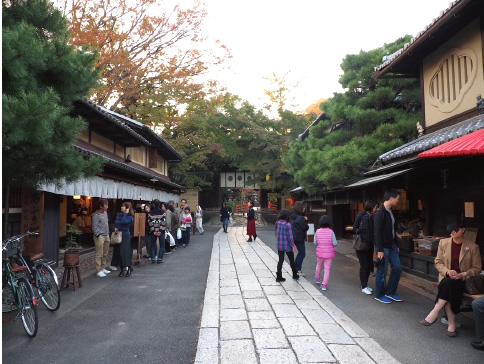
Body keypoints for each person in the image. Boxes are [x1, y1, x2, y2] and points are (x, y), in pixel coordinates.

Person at [419, 221, 481, 337]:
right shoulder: (443, 243)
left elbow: (477, 268)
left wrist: (462, 274)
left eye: (455, 230)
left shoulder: (473, 247)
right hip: (446, 277)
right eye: (450, 231)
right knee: (449, 284)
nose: (452, 232)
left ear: (462, 230)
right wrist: (447, 271)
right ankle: (450, 325)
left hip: (463, 280)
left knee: (449, 285)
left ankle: (435, 313)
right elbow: (438, 262)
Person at [373, 189, 403, 304]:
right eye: (397, 198)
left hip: (392, 245)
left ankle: (390, 292)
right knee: (382, 270)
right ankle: (379, 295)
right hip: (383, 247)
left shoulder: (391, 211)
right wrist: (380, 250)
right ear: (391, 198)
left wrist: (396, 244)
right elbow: (377, 233)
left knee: (397, 268)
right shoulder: (380, 213)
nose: (398, 201)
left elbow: (392, 229)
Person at [353, 200, 379, 295]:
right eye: (376, 207)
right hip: (362, 244)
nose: (377, 209)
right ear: (371, 208)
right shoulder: (361, 215)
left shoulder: (374, 216)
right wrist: (362, 230)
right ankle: (363, 286)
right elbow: (354, 228)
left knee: (368, 265)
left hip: (370, 244)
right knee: (364, 265)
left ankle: (365, 284)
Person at [314, 215, 337, 291]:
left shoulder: (317, 231)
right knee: (327, 269)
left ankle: (317, 279)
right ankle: (324, 284)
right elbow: (334, 243)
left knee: (318, 265)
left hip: (320, 253)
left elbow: (315, 242)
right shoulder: (331, 232)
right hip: (329, 254)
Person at [275, 209, 298, 282]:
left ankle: (279, 276)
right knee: (291, 260)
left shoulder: (277, 223)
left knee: (280, 260)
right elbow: (290, 237)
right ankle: (294, 274)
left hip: (279, 245)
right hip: (287, 245)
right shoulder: (287, 225)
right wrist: (293, 245)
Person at [92, 199, 112, 277]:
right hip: (100, 235)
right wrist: (98, 234)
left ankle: (102, 267)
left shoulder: (105, 213)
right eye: (105, 205)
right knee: (99, 253)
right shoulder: (96, 215)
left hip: (106, 234)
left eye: (107, 205)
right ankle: (98, 270)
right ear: (101, 206)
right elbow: (94, 226)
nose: (107, 206)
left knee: (105, 253)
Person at [114, 202, 134, 277]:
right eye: (122, 206)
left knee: (124, 252)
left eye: (123, 206)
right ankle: (121, 269)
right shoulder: (119, 215)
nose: (122, 207)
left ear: (127, 208)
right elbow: (116, 223)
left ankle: (128, 267)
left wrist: (126, 213)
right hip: (118, 235)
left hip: (125, 235)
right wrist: (115, 228)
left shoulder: (130, 217)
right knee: (119, 252)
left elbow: (124, 222)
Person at [291, 201, 309, 277]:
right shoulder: (301, 218)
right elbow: (306, 227)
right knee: (302, 253)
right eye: (303, 207)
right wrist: (306, 220)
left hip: (294, 236)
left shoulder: (293, 215)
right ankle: (298, 269)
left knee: (300, 253)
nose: (304, 208)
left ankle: (295, 267)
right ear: (300, 208)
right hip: (299, 237)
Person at [148, 199, 166, 264]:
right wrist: (160, 230)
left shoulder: (150, 212)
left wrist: (153, 231)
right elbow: (163, 222)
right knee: (162, 245)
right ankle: (160, 258)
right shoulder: (163, 212)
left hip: (153, 231)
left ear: (153, 204)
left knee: (153, 244)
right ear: (159, 204)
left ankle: (153, 258)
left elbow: (150, 222)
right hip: (161, 231)